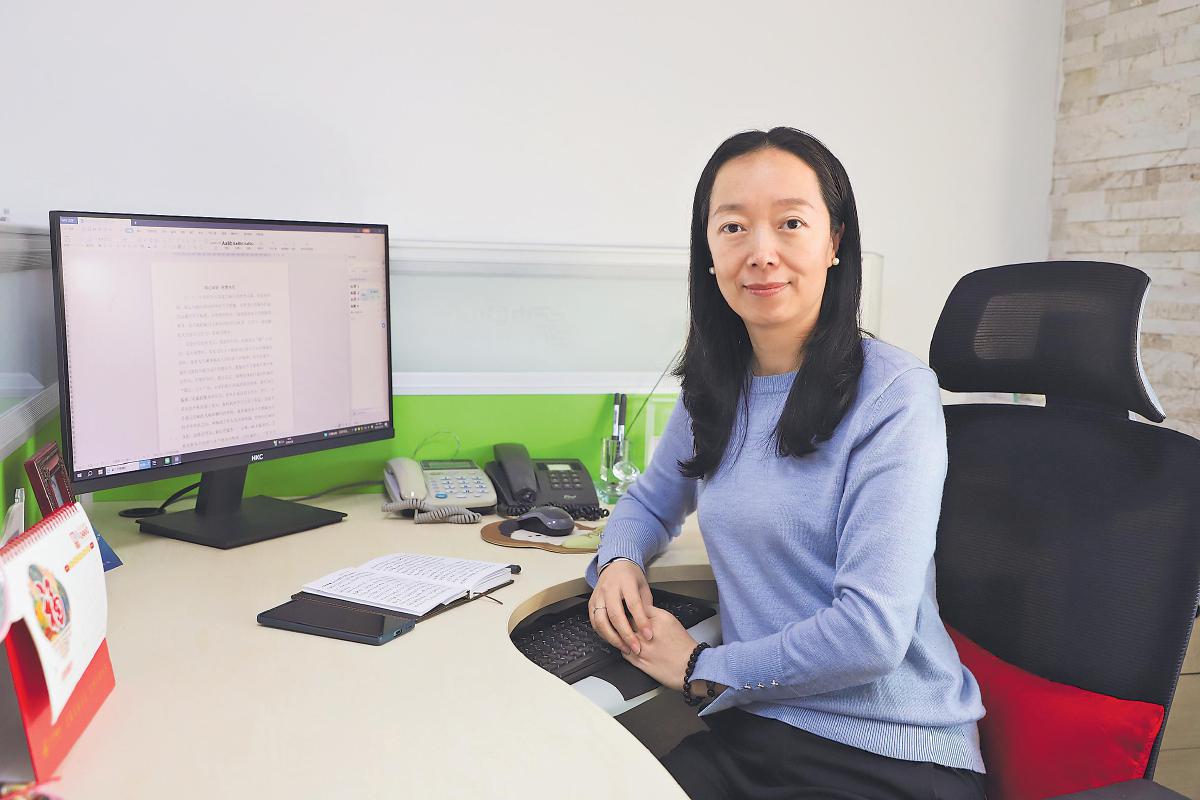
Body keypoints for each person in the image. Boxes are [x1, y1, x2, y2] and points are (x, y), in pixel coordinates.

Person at [585, 127, 987, 799]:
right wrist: (620, 560)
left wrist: (703, 667)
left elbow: (871, 635)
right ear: (708, 253)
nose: (761, 252)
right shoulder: (716, 387)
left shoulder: (893, 394)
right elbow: (651, 502)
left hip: (893, 754)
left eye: (791, 223)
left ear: (834, 243)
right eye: (733, 227)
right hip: (756, 732)